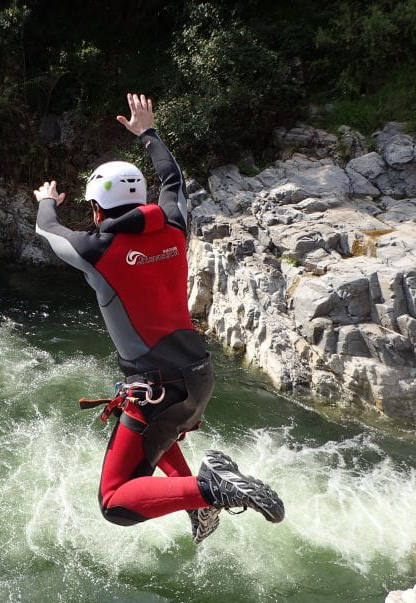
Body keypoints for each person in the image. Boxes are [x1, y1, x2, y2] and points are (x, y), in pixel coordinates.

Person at [33, 93, 284, 543]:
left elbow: (45, 228)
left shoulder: (96, 251)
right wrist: (148, 133)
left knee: (115, 501)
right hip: (196, 377)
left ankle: (212, 489)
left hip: (158, 388)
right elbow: (174, 179)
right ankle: (202, 502)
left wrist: (46, 199)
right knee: (153, 436)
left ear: (96, 209)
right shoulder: (172, 224)